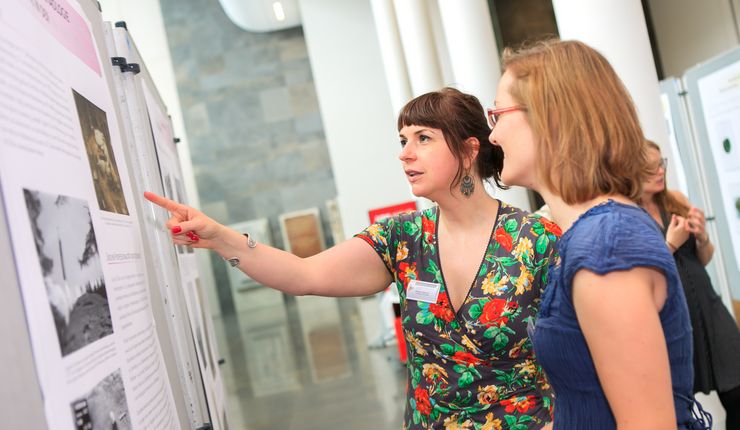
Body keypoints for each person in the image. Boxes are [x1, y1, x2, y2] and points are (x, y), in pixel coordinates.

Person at [145, 87, 559, 429]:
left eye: (423, 138)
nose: (405, 154)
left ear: (469, 150)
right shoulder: (404, 237)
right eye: (402, 141)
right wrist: (222, 238)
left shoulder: (537, 241)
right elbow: (305, 275)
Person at [488, 39, 710, 429]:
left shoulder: (608, 247)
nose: (493, 135)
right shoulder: (592, 235)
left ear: (548, 117)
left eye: (498, 115)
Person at [640, 140, 740, 428]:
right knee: (679, 403)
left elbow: (702, 259)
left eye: (662, 164)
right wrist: (670, 245)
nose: (660, 171)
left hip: (709, 306)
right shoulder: (631, 216)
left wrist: (703, 237)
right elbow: (643, 273)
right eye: (651, 167)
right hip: (673, 314)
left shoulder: (677, 201)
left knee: (737, 391)